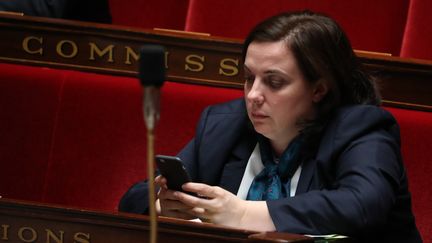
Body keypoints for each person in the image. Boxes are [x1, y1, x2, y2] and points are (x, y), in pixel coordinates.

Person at [119, 11, 422, 242]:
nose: (252, 95)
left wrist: (244, 213)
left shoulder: (362, 130)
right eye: (250, 77)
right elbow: (134, 198)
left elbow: (362, 204)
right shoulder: (224, 125)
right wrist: (165, 206)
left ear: (320, 89)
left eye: (274, 82)